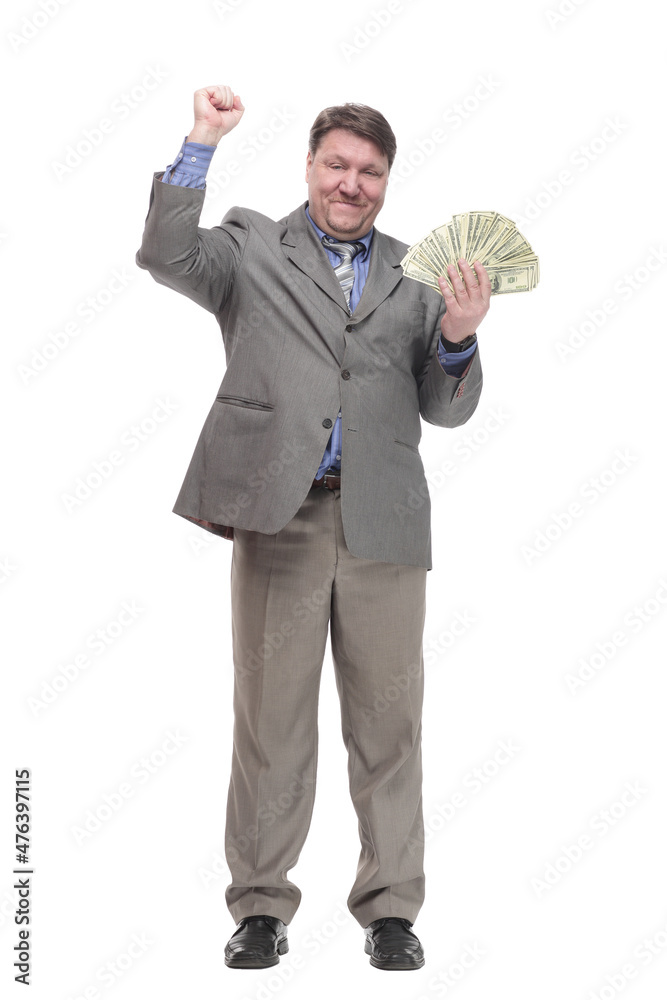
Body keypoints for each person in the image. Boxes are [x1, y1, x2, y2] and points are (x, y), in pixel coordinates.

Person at [136, 83, 491, 972]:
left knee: (388, 728)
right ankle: (260, 906)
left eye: (369, 172)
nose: (350, 184)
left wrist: (458, 332)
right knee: (271, 725)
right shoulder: (253, 246)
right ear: (308, 166)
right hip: (277, 517)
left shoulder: (419, 274)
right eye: (336, 165)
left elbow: (446, 409)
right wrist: (202, 141)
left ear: (386, 181)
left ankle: (391, 909)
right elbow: (165, 253)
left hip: (384, 527)